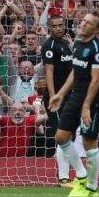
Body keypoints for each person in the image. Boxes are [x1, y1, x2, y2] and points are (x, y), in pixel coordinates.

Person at [49, 11, 99, 197]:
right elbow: (75, 72)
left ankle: (92, 187)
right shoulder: (78, 44)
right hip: (75, 98)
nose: (83, 24)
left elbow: (95, 81)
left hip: (92, 102)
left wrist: (86, 106)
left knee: (89, 142)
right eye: (83, 21)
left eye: (89, 23)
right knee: (61, 137)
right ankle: (81, 176)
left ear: (97, 29)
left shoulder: (98, 49)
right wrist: (60, 94)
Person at [41, 15, 73, 188]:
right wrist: (54, 98)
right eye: (55, 26)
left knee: (69, 135)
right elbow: (49, 73)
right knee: (63, 136)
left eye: (61, 25)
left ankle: (64, 175)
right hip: (57, 98)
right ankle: (63, 178)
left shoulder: (66, 44)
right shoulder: (49, 46)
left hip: (69, 96)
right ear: (50, 28)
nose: (59, 28)